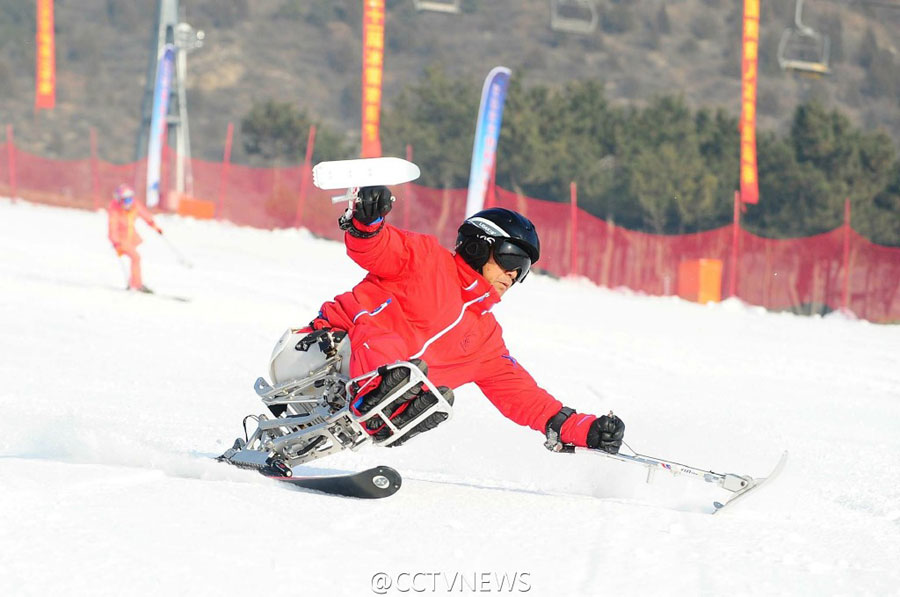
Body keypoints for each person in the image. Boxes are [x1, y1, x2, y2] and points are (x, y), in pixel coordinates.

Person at [290, 185, 625, 454]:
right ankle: (370, 399)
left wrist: (582, 428)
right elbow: (376, 247)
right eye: (511, 257)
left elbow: (523, 396)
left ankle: (374, 415)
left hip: (366, 399)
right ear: (479, 247)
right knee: (398, 354)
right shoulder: (424, 260)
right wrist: (367, 222)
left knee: (432, 393)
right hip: (319, 353)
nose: (512, 273)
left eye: (522, 269)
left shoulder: (485, 340)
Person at [107, 183, 163, 293]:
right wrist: (116, 243)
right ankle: (137, 285)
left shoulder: (134, 205)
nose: (128, 202)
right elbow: (112, 228)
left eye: (129, 199)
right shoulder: (115, 210)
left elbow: (145, 215)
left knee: (135, 260)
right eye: (125, 200)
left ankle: (134, 283)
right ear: (119, 200)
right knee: (136, 258)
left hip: (132, 237)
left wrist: (154, 226)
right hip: (121, 240)